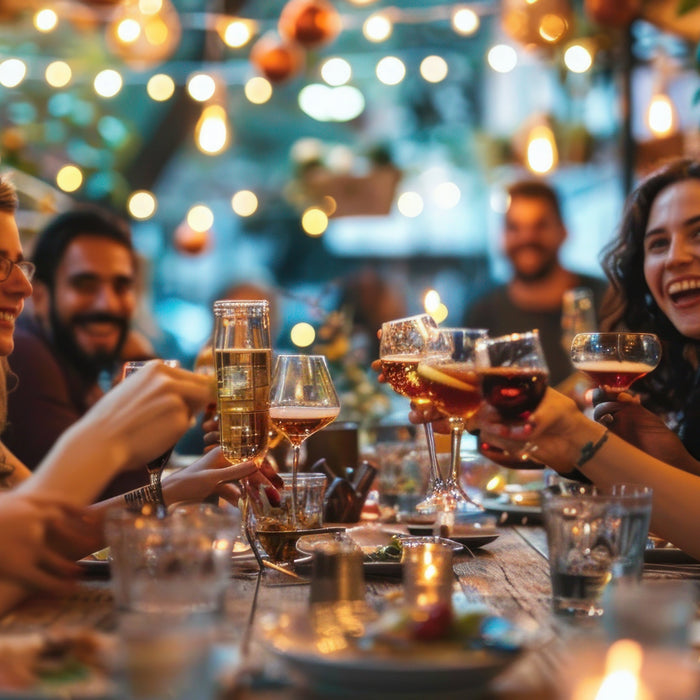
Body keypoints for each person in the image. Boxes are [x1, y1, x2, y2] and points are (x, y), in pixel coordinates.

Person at [0, 176, 276, 613]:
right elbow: (43, 530)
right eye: (0, 265)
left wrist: (184, 483)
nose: (21, 286)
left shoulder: (65, 365)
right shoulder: (30, 358)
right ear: (47, 297)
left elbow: (57, 530)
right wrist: (114, 441)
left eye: (122, 286)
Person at [430, 158, 700, 560]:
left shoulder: (601, 300)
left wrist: (577, 436)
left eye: (697, 234)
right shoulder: (691, 370)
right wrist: (676, 463)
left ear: (562, 232)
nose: (675, 258)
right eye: (658, 243)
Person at [2, 207, 154, 497]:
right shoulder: (25, 356)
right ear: (41, 297)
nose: (106, 305)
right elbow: (112, 497)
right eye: (85, 285)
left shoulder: (75, 367)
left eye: (121, 286)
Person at [463, 180, 608, 386]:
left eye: (540, 226)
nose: (527, 238)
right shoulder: (481, 312)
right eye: (514, 227)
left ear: (564, 231)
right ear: (502, 237)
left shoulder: (605, 300)